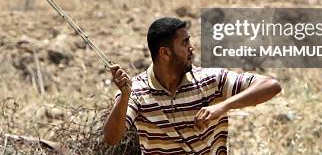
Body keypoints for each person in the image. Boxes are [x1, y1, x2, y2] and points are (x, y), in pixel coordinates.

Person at [103, 17, 282, 153]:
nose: (192, 48)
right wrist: (125, 95)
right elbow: (111, 138)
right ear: (165, 53)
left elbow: (271, 86)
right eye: (185, 42)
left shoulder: (211, 79)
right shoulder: (136, 91)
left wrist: (222, 106)